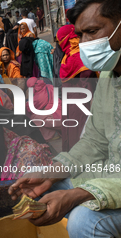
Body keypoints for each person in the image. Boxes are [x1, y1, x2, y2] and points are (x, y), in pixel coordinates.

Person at [9, 1, 121, 238]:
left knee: (85, 223)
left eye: (92, 31)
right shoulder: (108, 75)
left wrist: (81, 194)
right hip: (114, 175)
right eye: (79, 34)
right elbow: (94, 141)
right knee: (45, 189)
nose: (83, 43)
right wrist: (52, 172)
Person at [57, 24, 97, 152]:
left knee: (72, 129)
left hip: (70, 101)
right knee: (82, 129)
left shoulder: (67, 57)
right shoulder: (80, 55)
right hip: (83, 99)